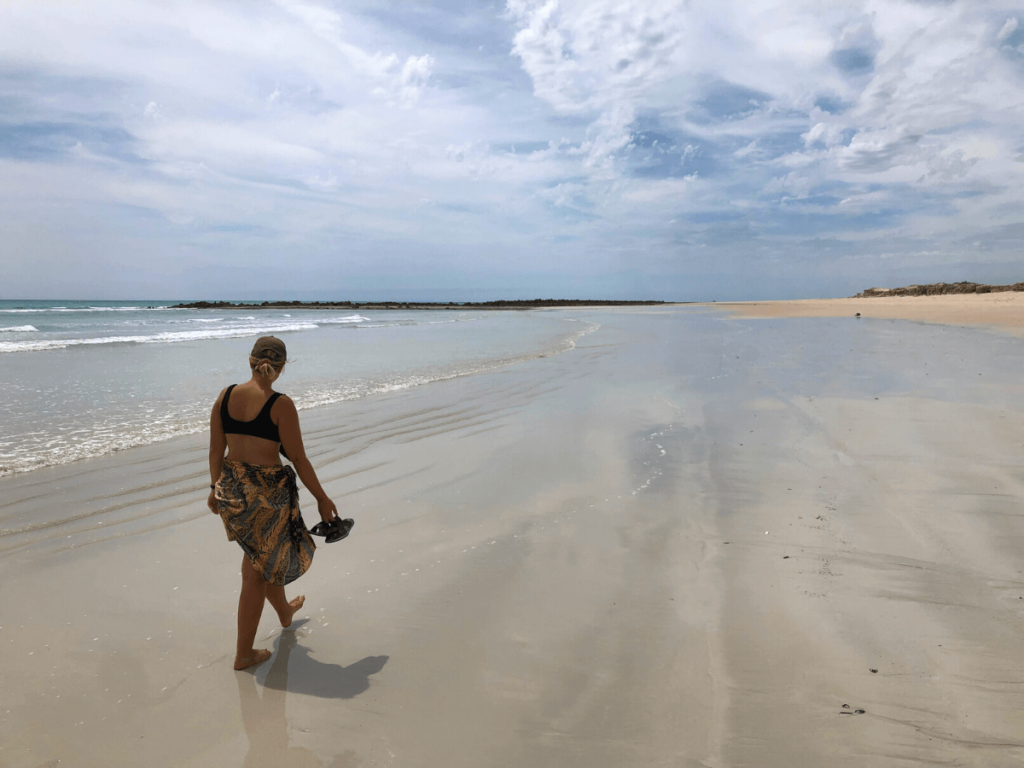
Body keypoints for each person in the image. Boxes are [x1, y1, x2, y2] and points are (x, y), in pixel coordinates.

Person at [208, 335, 340, 670]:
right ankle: (243, 654)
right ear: (280, 368)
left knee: (263, 560)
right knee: (256, 571)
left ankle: (283, 611)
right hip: (268, 497)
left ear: (250, 361)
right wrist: (322, 499)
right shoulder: (281, 405)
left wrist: (215, 488)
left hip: (234, 493)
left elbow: (215, 452)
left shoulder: (224, 397)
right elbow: (298, 458)